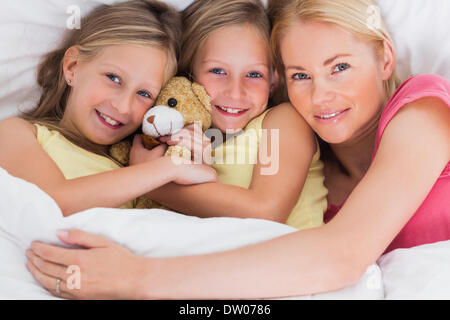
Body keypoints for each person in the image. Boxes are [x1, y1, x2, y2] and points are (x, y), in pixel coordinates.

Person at [26, 0, 449, 299]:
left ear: (386, 59)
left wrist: (141, 277)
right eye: (301, 75)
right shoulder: (317, 174)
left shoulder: (424, 107)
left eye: (340, 67)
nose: (321, 95)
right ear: (283, 82)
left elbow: (340, 255)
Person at [0, 0, 217, 217]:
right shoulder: (16, 132)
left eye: (144, 94)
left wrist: (198, 161)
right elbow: (52, 203)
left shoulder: (140, 167)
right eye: (113, 78)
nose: (122, 106)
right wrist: (169, 168)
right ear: (72, 67)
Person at [131, 0, 327, 230]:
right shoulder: (181, 134)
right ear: (188, 72)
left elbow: (265, 212)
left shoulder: (282, 121)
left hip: (295, 261)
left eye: (254, 74)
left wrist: (149, 181)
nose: (236, 92)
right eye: (218, 71)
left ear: (274, 80)